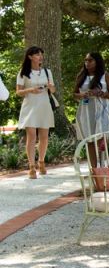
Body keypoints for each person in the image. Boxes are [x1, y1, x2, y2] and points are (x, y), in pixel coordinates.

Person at [15, 46, 55, 179]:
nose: (40, 56)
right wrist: (30, 90)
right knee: (31, 136)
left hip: (44, 105)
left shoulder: (47, 72)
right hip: (30, 106)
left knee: (44, 136)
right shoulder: (23, 72)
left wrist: (50, 87)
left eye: (41, 54)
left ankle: (41, 162)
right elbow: (18, 92)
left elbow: (53, 90)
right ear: (30, 56)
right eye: (37, 54)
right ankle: (31, 166)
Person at [73, 52, 109, 168]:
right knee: (89, 140)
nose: (87, 63)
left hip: (101, 110)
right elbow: (74, 94)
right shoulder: (81, 76)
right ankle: (94, 169)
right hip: (86, 111)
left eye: (90, 60)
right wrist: (82, 95)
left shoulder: (105, 75)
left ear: (97, 61)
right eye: (86, 60)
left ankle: (103, 165)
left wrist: (101, 93)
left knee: (101, 139)